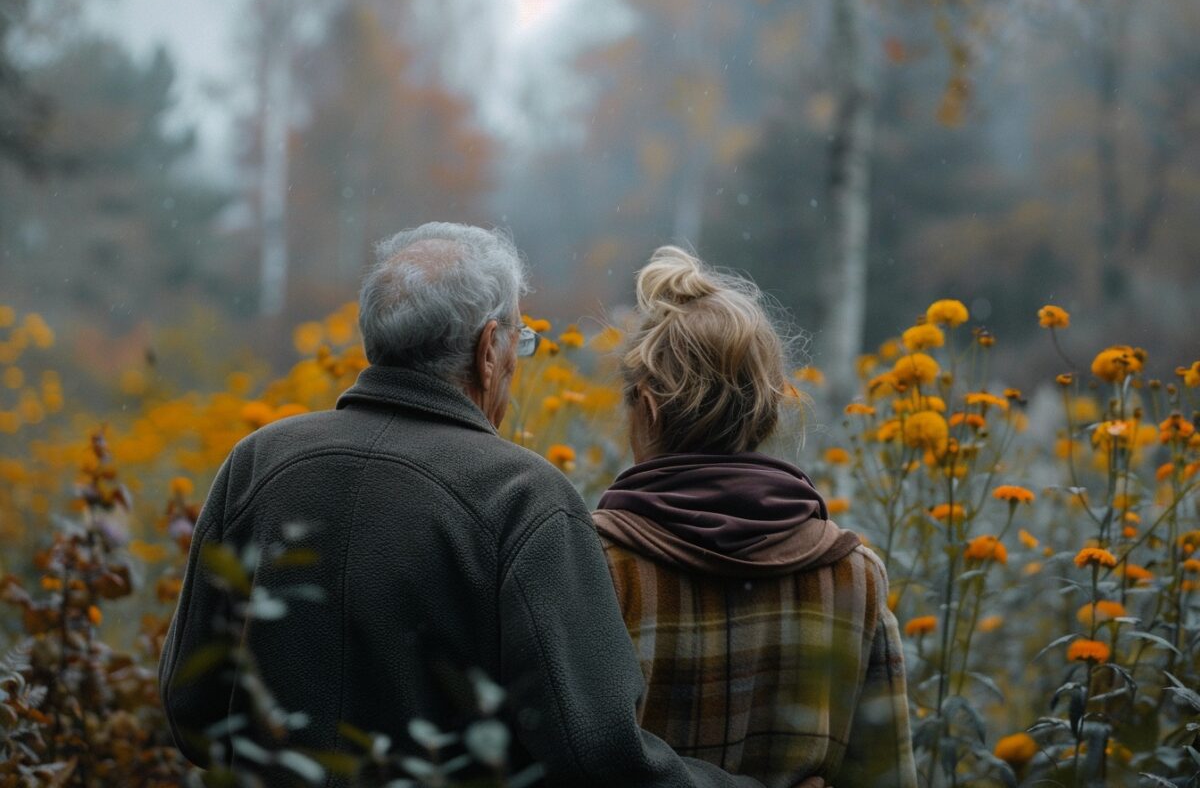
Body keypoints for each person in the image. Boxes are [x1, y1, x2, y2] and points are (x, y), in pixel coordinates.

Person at [159, 224, 765, 787]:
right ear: (486, 350)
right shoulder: (523, 497)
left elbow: (190, 702)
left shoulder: (259, 464)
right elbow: (596, 753)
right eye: (519, 344)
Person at [593, 246, 918, 788]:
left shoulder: (599, 568)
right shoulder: (854, 575)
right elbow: (889, 776)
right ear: (767, 407)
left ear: (646, 407)